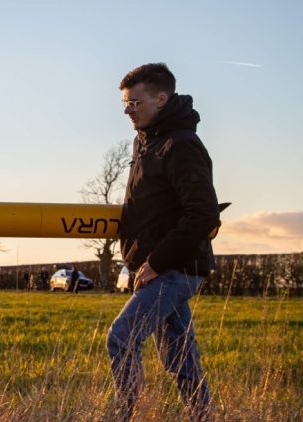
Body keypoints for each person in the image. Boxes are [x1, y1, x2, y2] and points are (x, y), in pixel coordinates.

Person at [106, 63, 220, 421]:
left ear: (161, 98)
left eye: (135, 102)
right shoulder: (147, 141)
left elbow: (203, 214)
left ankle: (125, 414)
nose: (128, 110)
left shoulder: (180, 144)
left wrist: (155, 262)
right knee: (179, 357)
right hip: (159, 267)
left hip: (174, 268)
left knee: (121, 338)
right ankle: (203, 415)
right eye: (125, 103)